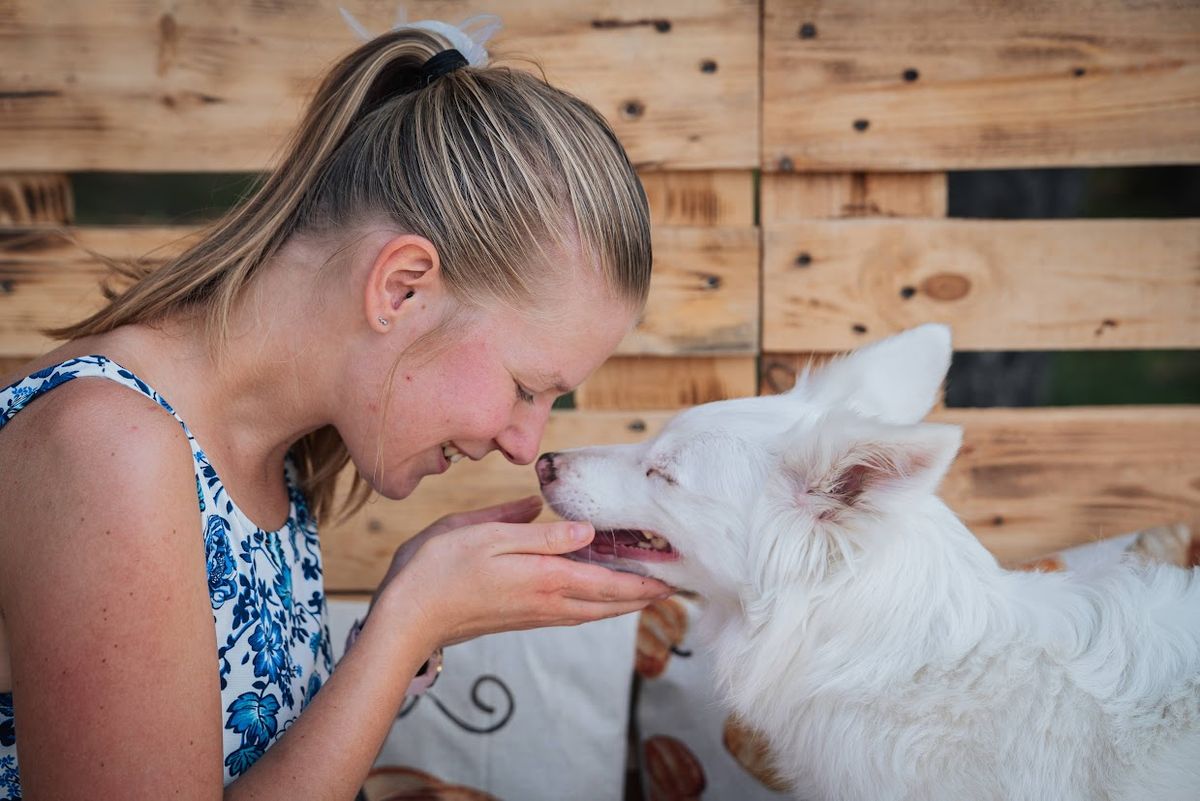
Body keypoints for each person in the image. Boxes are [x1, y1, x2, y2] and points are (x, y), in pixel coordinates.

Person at [0, 12, 672, 799]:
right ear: (402, 287)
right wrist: (407, 624)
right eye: (528, 387)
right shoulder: (109, 447)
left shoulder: (267, 453)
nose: (528, 444)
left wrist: (411, 604)